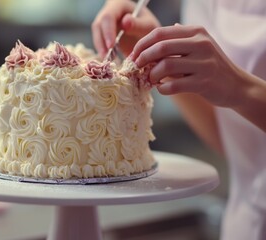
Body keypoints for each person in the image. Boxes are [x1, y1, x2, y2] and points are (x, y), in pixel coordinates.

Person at [92, 0, 266, 239]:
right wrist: (165, 64)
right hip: (244, 221)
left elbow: (233, 90)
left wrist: (239, 87)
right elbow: (234, 143)